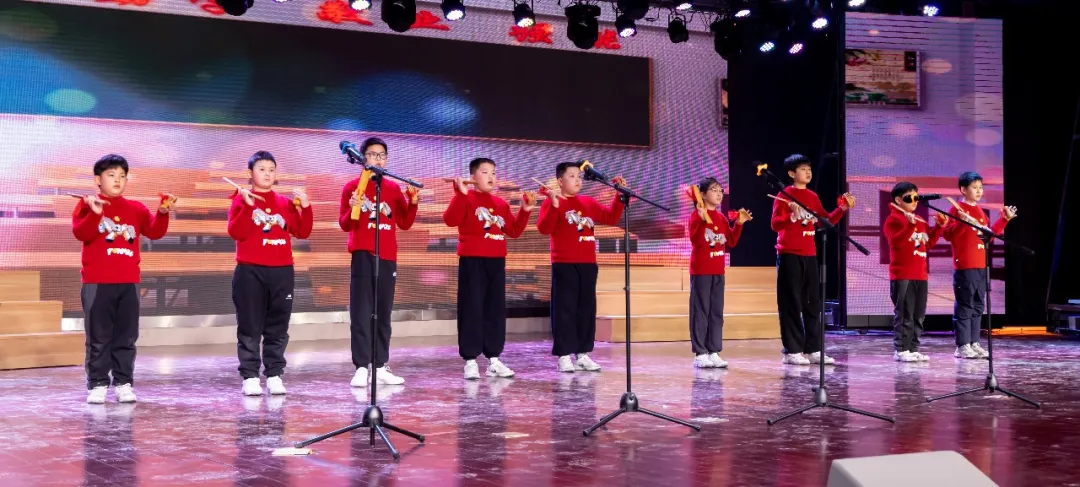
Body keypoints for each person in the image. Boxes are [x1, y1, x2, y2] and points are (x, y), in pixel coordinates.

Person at [72, 154, 174, 404]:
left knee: (126, 337)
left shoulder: (136, 209)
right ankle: (97, 384)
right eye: (111, 175)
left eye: (122, 176)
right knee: (98, 337)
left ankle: (123, 383)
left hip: (129, 282)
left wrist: (162, 213)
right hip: (97, 283)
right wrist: (95, 213)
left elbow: (155, 232)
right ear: (98, 179)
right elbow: (81, 233)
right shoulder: (87, 204)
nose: (117, 180)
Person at [228, 151, 313, 396]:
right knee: (250, 326)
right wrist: (248, 207)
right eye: (262, 169)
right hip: (250, 271)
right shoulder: (241, 200)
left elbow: (302, 231)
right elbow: (236, 232)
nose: (267, 174)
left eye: (271, 170)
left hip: (282, 272)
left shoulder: (284, 203)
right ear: (250, 173)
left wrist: (306, 207)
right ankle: (250, 376)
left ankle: (274, 374)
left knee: (278, 326)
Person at [443, 158, 536, 379]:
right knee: (472, 309)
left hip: (496, 261)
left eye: (493, 172)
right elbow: (450, 220)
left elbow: (513, 231)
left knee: (494, 310)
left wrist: (525, 210)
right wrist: (460, 194)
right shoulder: (466, 197)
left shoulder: (501, 204)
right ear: (473, 177)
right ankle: (470, 360)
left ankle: (494, 359)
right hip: (472, 260)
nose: (491, 176)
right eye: (485, 172)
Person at [338, 137, 419, 387]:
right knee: (361, 313)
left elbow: (405, 223)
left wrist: (413, 201)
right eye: (373, 154)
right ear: (363, 158)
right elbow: (345, 224)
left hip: (387, 256)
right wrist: (352, 207)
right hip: (363, 254)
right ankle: (362, 366)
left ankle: (380, 365)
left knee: (382, 313)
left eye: (382, 155)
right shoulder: (352, 187)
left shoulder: (392, 188)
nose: (378, 159)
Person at [536, 161, 626, 373]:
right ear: (560, 181)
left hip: (588, 263)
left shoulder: (588, 202)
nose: (577, 180)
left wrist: (619, 196)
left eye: (579, 176)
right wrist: (554, 206)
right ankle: (564, 355)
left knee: (586, 309)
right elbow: (544, 228)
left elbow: (611, 217)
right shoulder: (552, 201)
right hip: (564, 263)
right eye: (572, 176)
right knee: (565, 310)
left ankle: (583, 353)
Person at [770, 154, 854, 365]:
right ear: (791, 173)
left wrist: (842, 209)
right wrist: (791, 216)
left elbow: (824, 221)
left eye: (809, 169)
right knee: (791, 304)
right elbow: (775, 224)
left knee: (812, 304)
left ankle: (813, 349)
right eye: (803, 169)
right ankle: (793, 350)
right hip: (789, 254)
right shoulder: (784, 195)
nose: (808, 172)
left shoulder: (812, 196)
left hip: (810, 255)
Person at [943, 171, 1016, 359]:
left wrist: (1005, 219)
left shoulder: (980, 212)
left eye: (980, 187)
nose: (979, 191)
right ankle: (962, 345)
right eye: (974, 187)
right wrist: (963, 223)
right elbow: (948, 234)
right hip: (965, 265)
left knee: (978, 305)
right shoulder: (957, 209)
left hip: (981, 265)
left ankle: (974, 342)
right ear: (963, 189)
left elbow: (988, 236)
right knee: (965, 305)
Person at [686, 177, 751, 368]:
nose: (719, 194)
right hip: (701, 271)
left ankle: (713, 351)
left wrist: (739, 223)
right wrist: (701, 219)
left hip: (718, 271)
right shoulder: (696, 216)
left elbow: (731, 241)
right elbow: (696, 241)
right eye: (714, 190)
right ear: (703, 194)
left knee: (716, 312)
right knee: (700, 311)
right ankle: (700, 353)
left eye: (720, 190)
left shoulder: (721, 218)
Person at [883, 181, 946, 362]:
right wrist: (909, 226)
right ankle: (901, 349)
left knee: (918, 315)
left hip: (920, 274)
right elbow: (895, 243)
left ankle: (913, 348)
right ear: (898, 200)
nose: (914, 201)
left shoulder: (919, 219)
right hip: (903, 275)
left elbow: (928, 243)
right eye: (909, 198)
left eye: (916, 197)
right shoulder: (893, 219)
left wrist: (939, 227)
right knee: (905, 313)